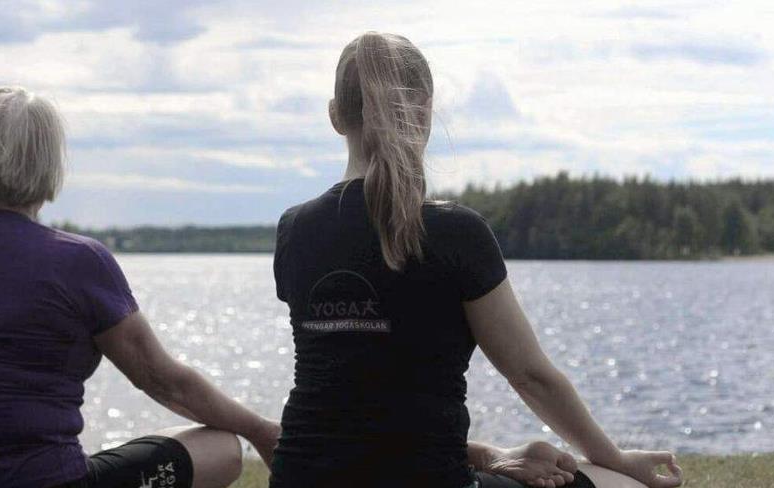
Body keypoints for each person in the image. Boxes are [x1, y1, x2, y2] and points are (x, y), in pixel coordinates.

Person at [268, 32, 685, 488]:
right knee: (620, 486)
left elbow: (352, 406)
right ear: (424, 110)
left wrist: (492, 457)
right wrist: (616, 459)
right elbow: (531, 377)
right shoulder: (455, 233)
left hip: (299, 478)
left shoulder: (295, 230)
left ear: (335, 116)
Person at [0, 86, 282, 488]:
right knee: (222, 448)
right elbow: (165, 382)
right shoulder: (78, 262)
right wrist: (262, 431)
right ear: (48, 164)